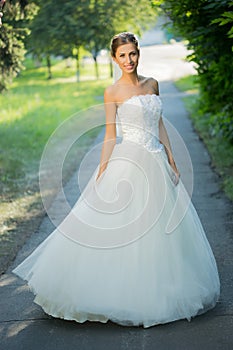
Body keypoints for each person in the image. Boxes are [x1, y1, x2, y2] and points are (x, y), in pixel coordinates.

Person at [13, 32, 220, 328]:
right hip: (129, 161)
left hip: (156, 159)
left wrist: (172, 156)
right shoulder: (112, 92)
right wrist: (102, 172)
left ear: (139, 53)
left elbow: (158, 122)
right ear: (114, 58)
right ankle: (118, 292)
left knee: (164, 230)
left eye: (132, 53)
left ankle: (162, 286)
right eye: (122, 55)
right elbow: (110, 135)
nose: (128, 60)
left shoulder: (152, 85)